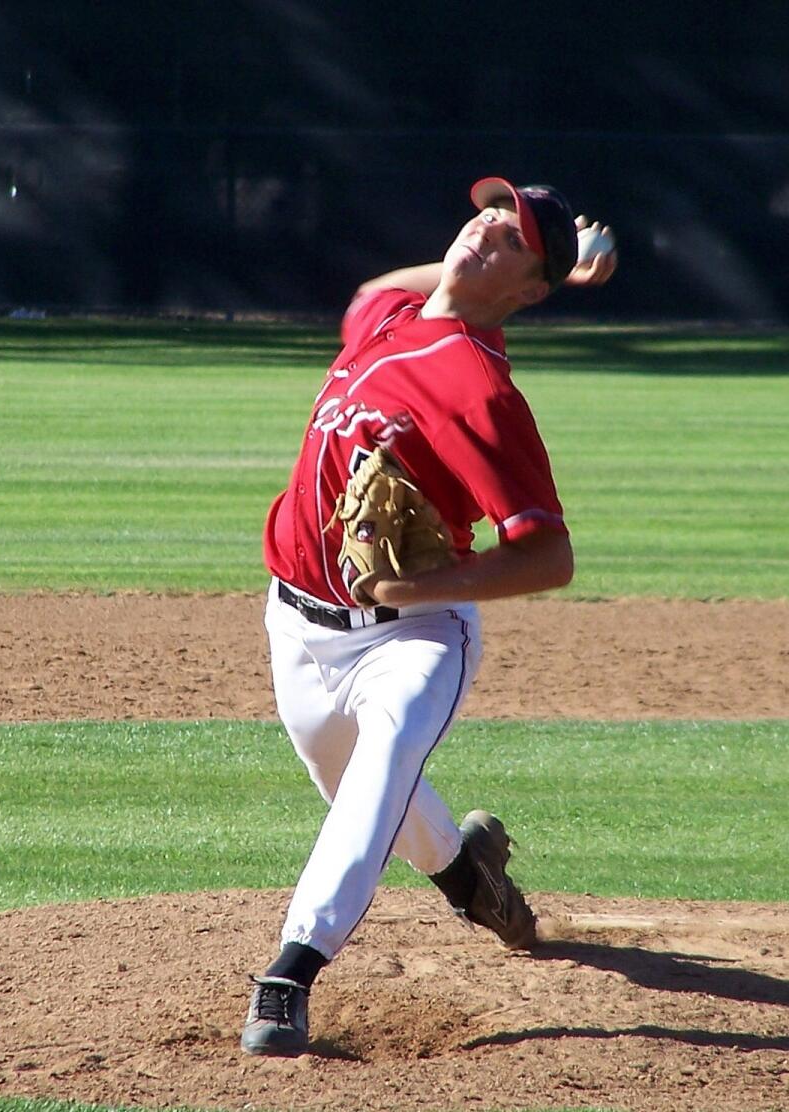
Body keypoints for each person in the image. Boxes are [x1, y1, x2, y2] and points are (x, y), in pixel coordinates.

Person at [243, 177, 617, 1056]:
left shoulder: (482, 392)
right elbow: (377, 290)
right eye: (490, 213)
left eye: (512, 237)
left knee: (378, 783)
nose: (489, 226)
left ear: (524, 291)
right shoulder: (388, 326)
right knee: (358, 788)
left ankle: (290, 972)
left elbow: (548, 557)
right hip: (296, 628)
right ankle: (466, 875)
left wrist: (415, 592)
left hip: (413, 637)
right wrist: (538, 278)